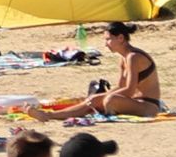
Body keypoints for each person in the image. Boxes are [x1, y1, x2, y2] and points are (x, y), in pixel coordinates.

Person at [27, 22, 163, 121]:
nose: (106, 44)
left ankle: (50, 115)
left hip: (147, 106)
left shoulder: (134, 57)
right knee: (96, 100)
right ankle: (49, 115)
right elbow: (121, 87)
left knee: (108, 99)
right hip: (133, 102)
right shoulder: (124, 58)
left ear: (120, 38)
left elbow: (129, 90)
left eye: (108, 39)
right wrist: (98, 98)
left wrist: (103, 97)